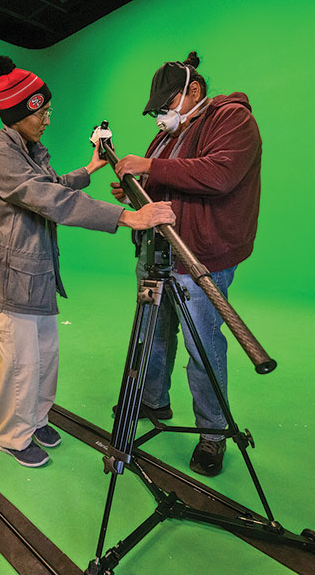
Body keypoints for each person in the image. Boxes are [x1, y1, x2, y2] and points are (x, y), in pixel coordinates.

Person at [0, 55, 176, 468]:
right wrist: (126, 216)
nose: (48, 119)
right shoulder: (1, 156)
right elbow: (49, 198)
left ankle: (36, 420)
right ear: (22, 112)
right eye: (43, 112)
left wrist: (92, 165)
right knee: (20, 365)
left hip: (40, 273)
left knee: (46, 358)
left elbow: (53, 183)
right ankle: (13, 437)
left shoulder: (31, 150)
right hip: (15, 280)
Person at [110, 52, 262, 477]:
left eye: (166, 103)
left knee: (203, 347)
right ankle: (154, 399)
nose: (161, 114)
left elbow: (220, 175)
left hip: (201, 256)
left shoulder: (232, 120)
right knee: (153, 336)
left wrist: (151, 166)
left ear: (194, 90)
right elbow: (166, 181)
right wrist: (137, 189)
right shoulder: (165, 136)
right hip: (155, 252)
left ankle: (213, 433)